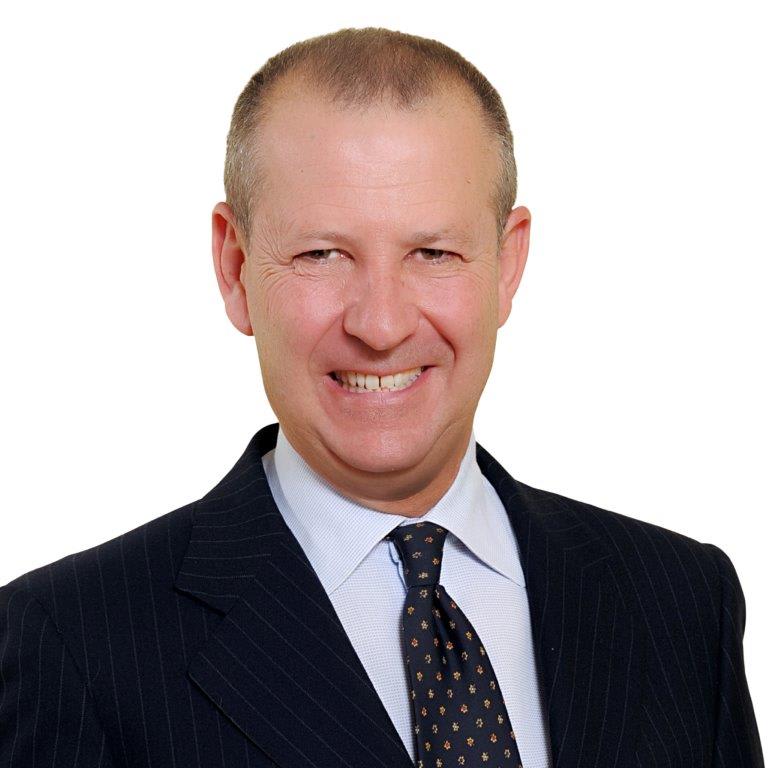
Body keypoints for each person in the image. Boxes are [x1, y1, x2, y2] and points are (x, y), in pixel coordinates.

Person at [0, 26, 763, 768]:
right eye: (322, 254)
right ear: (234, 267)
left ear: (506, 265)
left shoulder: (681, 601)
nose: (381, 324)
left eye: (433, 252)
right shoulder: (69, 642)